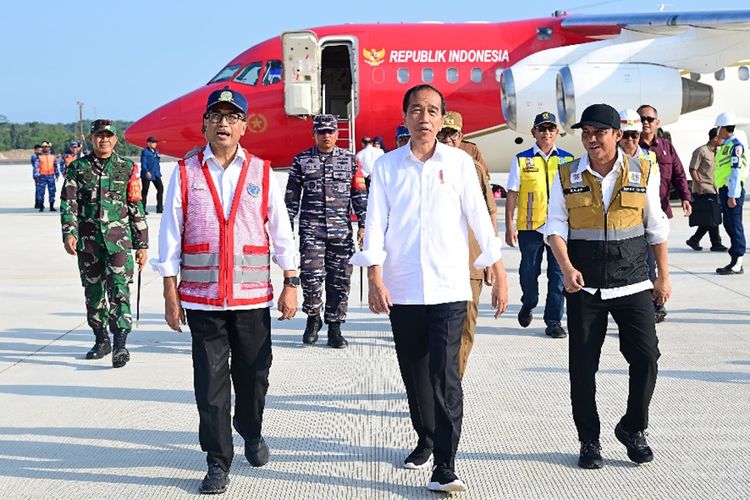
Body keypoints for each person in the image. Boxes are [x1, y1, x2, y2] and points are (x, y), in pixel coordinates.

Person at [352, 84, 509, 493]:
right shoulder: (386, 167)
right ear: (405, 117)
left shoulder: (458, 163)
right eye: (417, 110)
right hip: (403, 288)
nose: (425, 117)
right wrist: (374, 277)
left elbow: (479, 217)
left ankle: (445, 463)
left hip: (450, 286)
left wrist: (498, 270)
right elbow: (374, 226)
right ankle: (425, 437)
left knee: (445, 376)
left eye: (433, 111)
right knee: (415, 374)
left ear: (442, 120)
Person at [154, 86, 299, 495]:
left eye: (232, 117)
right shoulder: (185, 173)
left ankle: (251, 431)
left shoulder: (262, 172)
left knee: (254, 375)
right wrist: (170, 292)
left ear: (243, 126)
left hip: (252, 297)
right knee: (211, 383)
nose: (223, 123)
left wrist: (290, 281)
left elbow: (281, 231)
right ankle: (217, 460)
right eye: (216, 116)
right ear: (204, 124)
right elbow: (170, 234)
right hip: (202, 298)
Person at [546, 103, 671, 470]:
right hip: (584, 287)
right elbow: (555, 226)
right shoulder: (566, 174)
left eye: (599, 133)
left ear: (618, 135)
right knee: (582, 368)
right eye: (586, 133)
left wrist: (663, 275)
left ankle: (633, 428)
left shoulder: (643, 170)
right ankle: (589, 440)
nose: (591, 139)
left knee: (647, 358)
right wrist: (566, 268)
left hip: (632, 282)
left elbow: (656, 225)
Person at [60, 119, 149, 368]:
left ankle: (120, 343)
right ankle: (101, 339)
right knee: (94, 293)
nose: (104, 140)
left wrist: (142, 244)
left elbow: (136, 206)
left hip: (119, 242)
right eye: (100, 136)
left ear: (115, 139)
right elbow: (69, 203)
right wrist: (69, 232)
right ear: (92, 138)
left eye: (109, 136)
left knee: (120, 290)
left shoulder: (127, 168)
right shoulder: (77, 168)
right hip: (88, 243)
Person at [285, 114, 367, 348]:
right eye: (321, 132)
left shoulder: (350, 161)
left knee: (339, 280)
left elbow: (359, 194)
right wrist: (286, 227)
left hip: (341, 232)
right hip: (312, 231)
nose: (326, 135)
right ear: (314, 134)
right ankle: (313, 318)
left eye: (330, 131)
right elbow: (291, 197)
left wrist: (363, 224)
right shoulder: (301, 160)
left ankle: (335, 326)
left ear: (337, 134)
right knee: (311, 278)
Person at [438, 110, 498, 377]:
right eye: (444, 133)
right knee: (437, 330)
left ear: (462, 137)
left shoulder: (473, 169)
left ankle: (454, 383)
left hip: (470, 262)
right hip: (437, 262)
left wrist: (492, 260)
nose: (448, 139)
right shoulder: (422, 167)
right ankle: (437, 383)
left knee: (465, 328)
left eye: (453, 134)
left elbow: (489, 214)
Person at [504, 112, 573, 338]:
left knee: (558, 275)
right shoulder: (522, 159)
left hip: (558, 228)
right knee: (528, 272)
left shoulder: (567, 160)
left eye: (550, 129)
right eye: (541, 129)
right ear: (534, 132)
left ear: (557, 133)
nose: (546, 133)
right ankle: (528, 302)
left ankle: (553, 321)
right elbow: (513, 194)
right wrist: (509, 226)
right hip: (530, 227)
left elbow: (574, 195)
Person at [637, 104, 691, 323]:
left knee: (659, 262)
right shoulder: (631, 147)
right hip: (636, 216)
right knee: (646, 263)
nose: (646, 123)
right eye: (642, 119)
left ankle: (657, 304)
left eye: (650, 119)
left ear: (658, 123)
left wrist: (686, 197)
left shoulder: (666, 147)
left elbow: (679, 173)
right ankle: (651, 304)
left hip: (660, 213)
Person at [713, 112, 748, 274]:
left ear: (724, 128)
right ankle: (735, 259)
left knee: (735, 225)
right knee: (728, 224)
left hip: (733, 190)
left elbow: (735, 171)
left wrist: (733, 195)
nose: (717, 131)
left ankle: (738, 262)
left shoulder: (735, 146)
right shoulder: (726, 145)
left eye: (718, 127)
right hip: (726, 190)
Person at [686, 127, 727, 252]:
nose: (723, 140)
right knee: (712, 216)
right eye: (721, 137)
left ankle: (695, 240)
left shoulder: (718, 152)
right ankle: (715, 243)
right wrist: (698, 185)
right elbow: (693, 169)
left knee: (711, 217)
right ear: (715, 138)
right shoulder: (701, 151)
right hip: (703, 189)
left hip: (714, 189)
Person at [140, 136, 163, 214]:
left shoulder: (156, 151)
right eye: (153, 142)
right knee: (145, 191)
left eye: (155, 142)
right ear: (148, 143)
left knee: (160, 189)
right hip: (147, 174)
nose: (155, 144)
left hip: (156, 174)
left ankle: (159, 208)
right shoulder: (145, 152)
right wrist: (146, 171)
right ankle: (142, 209)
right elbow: (143, 163)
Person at [34, 141, 60, 212]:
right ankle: (41, 206)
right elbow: (36, 167)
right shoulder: (39, 157)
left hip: (51, 176)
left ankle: (52, 206)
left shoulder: (52, 156)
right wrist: (36, 176)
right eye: (45, 147)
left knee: (52, 191)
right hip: (42, 176)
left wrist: (57, 174)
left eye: (48, 147)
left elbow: (55, 166)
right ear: (42, 148)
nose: (46, 148)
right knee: (41, 192)